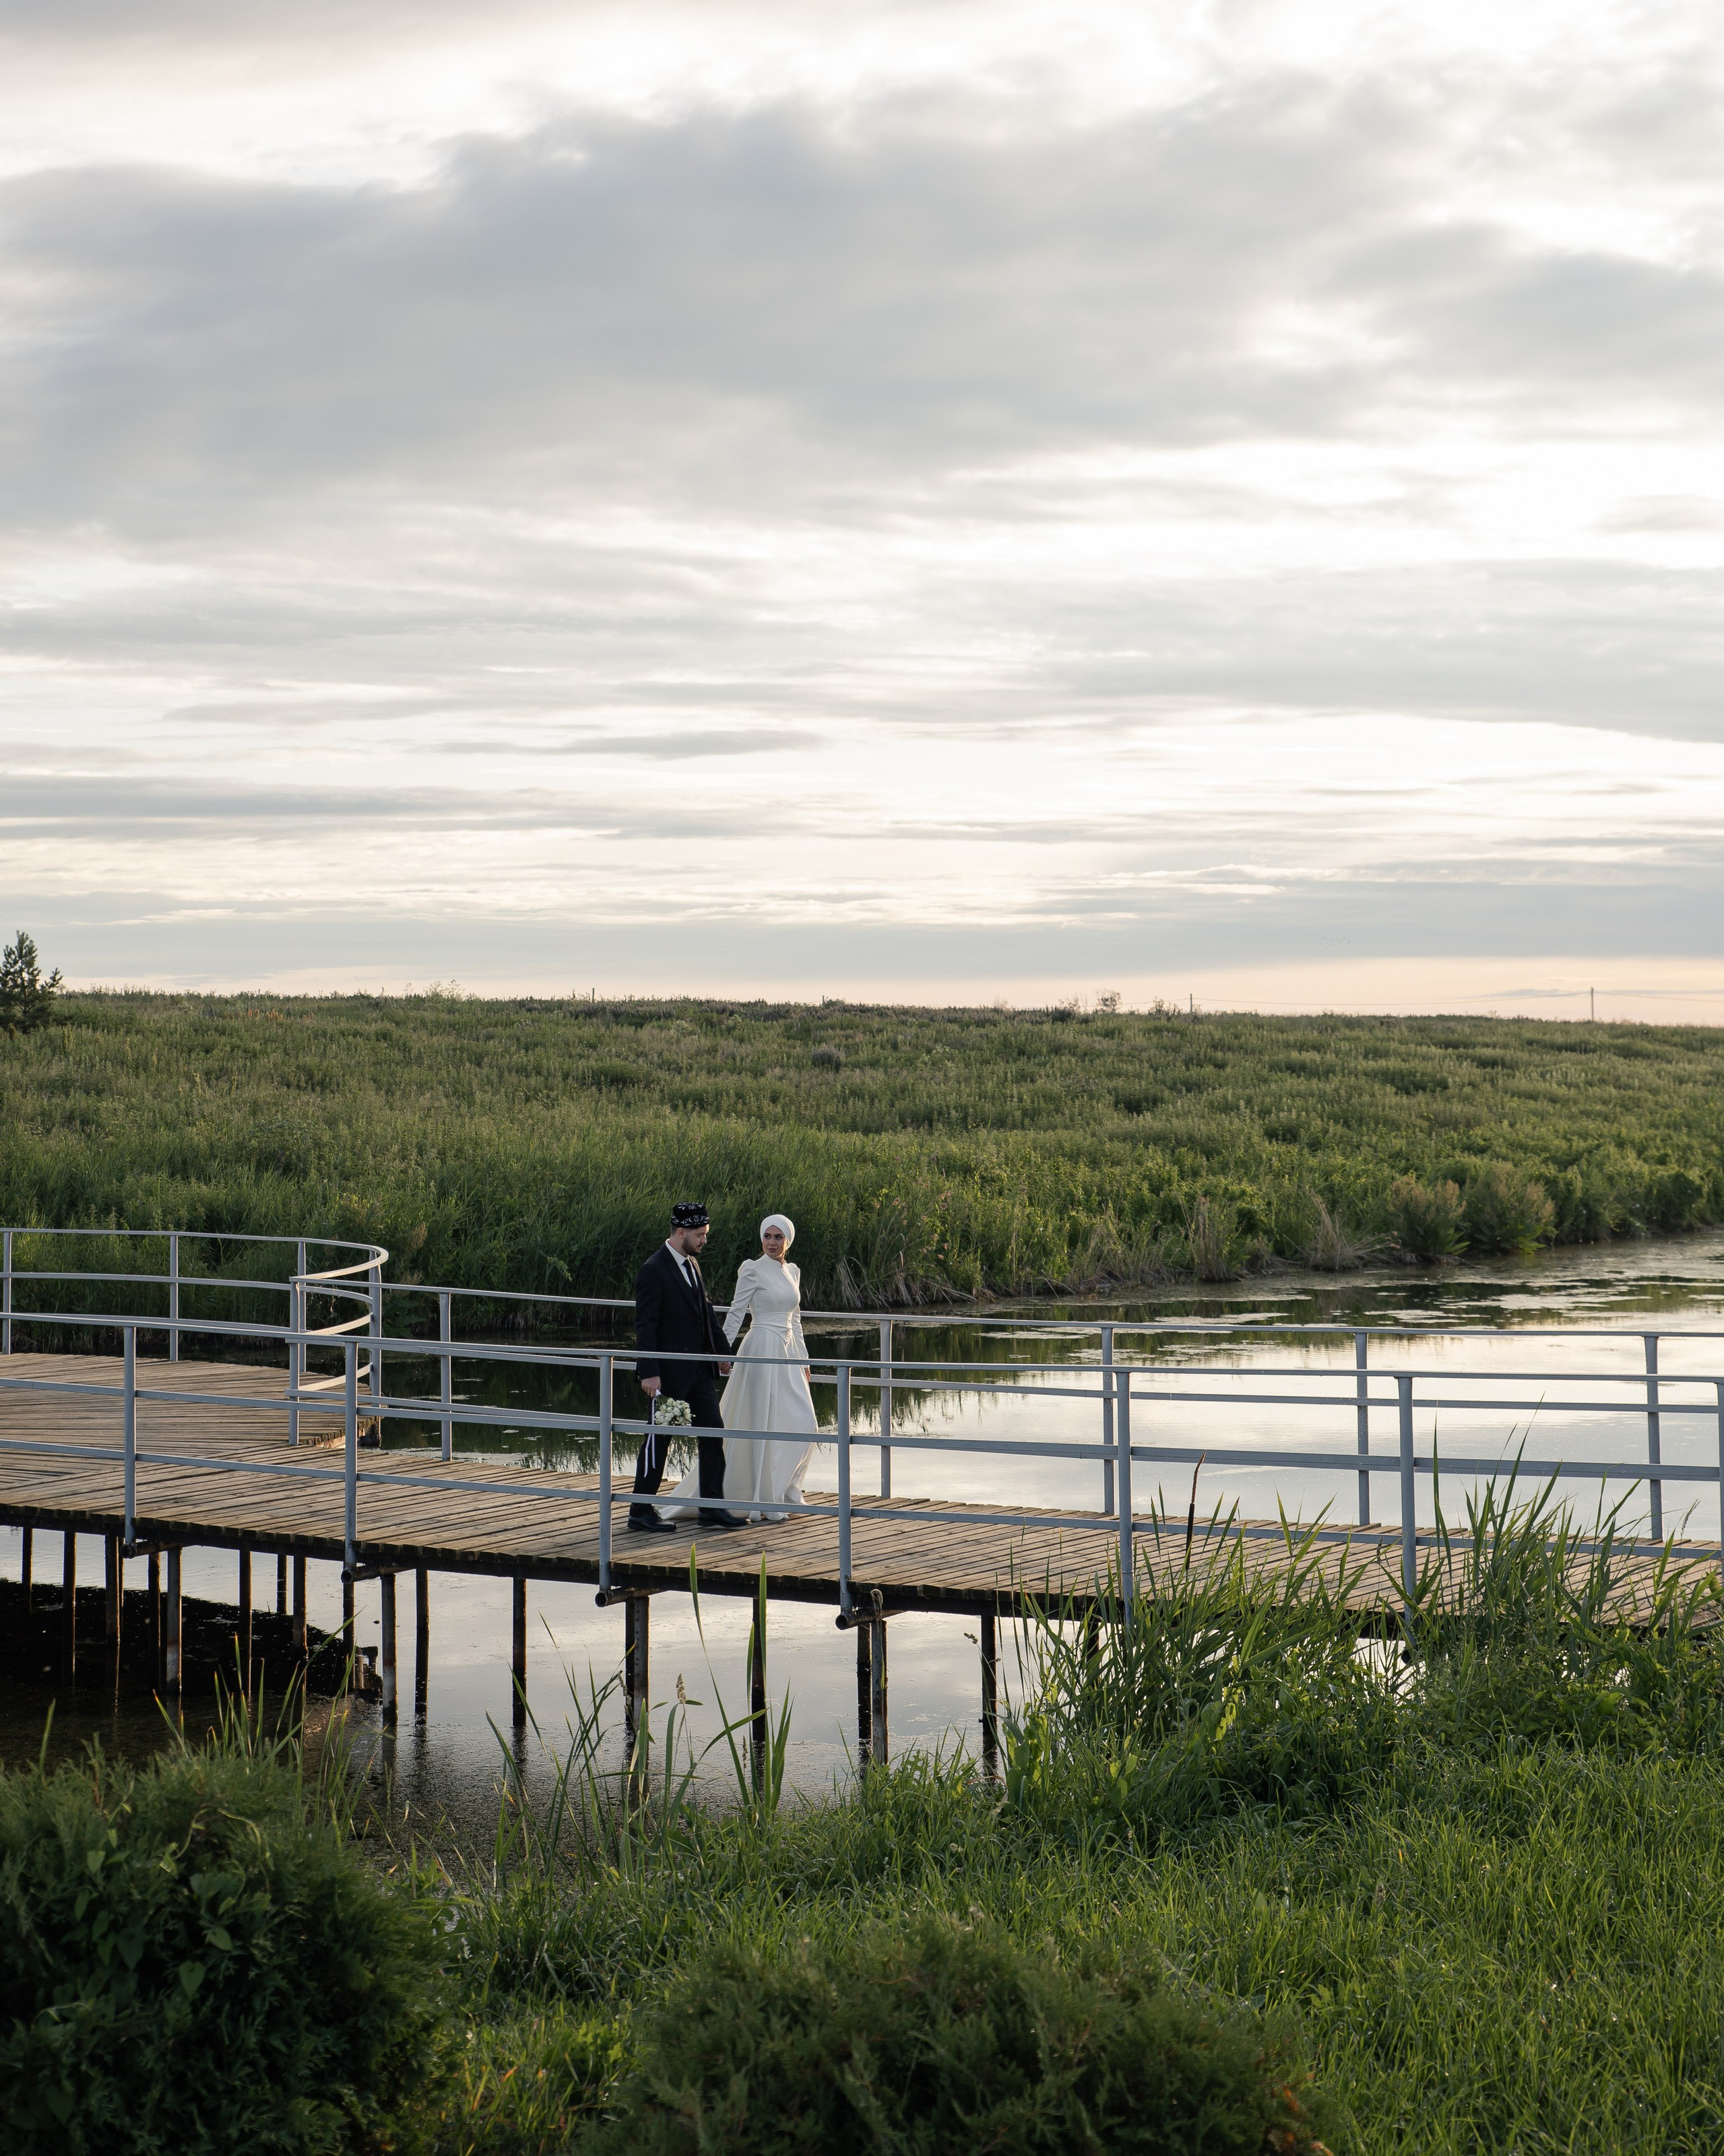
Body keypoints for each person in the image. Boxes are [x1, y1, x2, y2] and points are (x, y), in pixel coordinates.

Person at [666, 1212, 817, 1522]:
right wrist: (722, 1353)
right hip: (761, 1348)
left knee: (805, 1423)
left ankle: (783, 1490)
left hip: (787, 1353)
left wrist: (803, 1360)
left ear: (788, 1240)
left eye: (778, 1237)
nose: (771, 1243)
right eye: (767, 1236)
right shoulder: (752, 1269)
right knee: (763, 1423)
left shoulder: (793, 1271)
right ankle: (762, 1496)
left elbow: (797, 1320)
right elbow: (736, 1313)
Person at [630, 1202, 748, 1534]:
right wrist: (649, 1371)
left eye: (705, 1234)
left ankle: (711, 1507)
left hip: (699, 1372)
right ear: (681, 1232)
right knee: (658, 1440)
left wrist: (722, 1354)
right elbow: (646, 1325)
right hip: (667, 1375)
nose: (704, 1240)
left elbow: (705, 1313)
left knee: (713, 1433)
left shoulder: (692, 1263)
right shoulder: (653, 1269)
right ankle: (640, 1510)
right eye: (700, 1235)